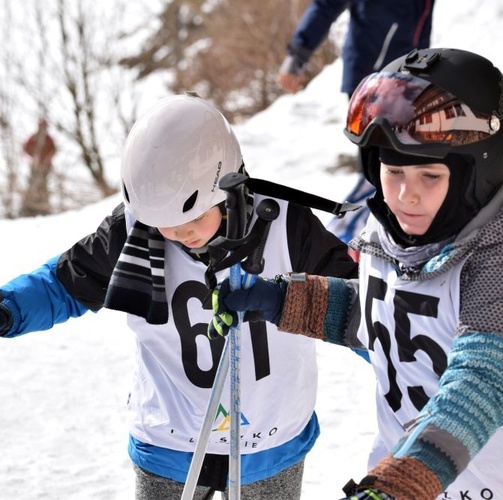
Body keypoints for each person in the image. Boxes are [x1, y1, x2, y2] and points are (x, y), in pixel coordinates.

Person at [214, 48, 503, 499]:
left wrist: (401, 483)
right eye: (392, 172)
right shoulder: (392, 234)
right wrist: (285, 300)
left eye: (429, 176)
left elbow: (480, 385)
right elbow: (392, 320)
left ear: (474, 174)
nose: (406, 196)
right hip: (425, 482)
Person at [0, 94, 358, 498]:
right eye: (166, 224)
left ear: (230, 187)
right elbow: (66, 282)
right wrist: (9, 308)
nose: (181, 233)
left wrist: (403, 347)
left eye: (195, 217)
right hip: (169, 441)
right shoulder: (135, 228)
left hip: (271, 439)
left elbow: (358, 305)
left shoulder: (286, 223)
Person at [278, 0, 436, 249]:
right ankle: (344, 242)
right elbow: (326, 5)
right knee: (377, 172)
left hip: (409, 77)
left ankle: (385, 240)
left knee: (398, 167)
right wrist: (298, 55)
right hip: (375, 78)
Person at [21, 118, 57, 217]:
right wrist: (33, 155)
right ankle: (29, 209)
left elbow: (54, 150)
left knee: (43, 186)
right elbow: (26, 148)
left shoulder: (48, 139)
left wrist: (48, 159)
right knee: (33, 185)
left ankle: (44, 209)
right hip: (35, 166)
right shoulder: (33, 138)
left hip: (45, 167)